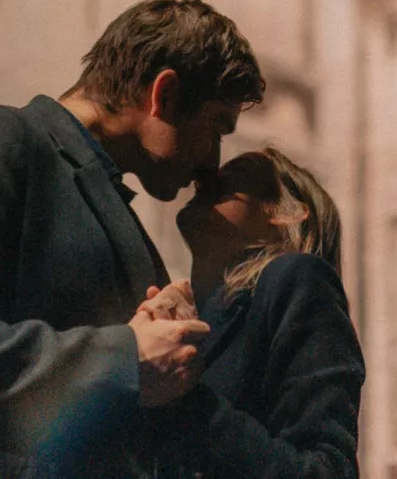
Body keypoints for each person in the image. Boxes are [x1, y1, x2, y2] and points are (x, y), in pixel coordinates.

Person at [0, 0, 264, 478]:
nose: (213, 160)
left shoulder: (106, 201)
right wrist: (123, 358)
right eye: (215, 129)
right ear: (163, 95)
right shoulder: (2, 139)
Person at [141, 147, 365, 479]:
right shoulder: (194, 314)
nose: (207, 177)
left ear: (286, 214)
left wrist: (185, 398)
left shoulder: (299, 279)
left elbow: (327, 469)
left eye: (236, 176)